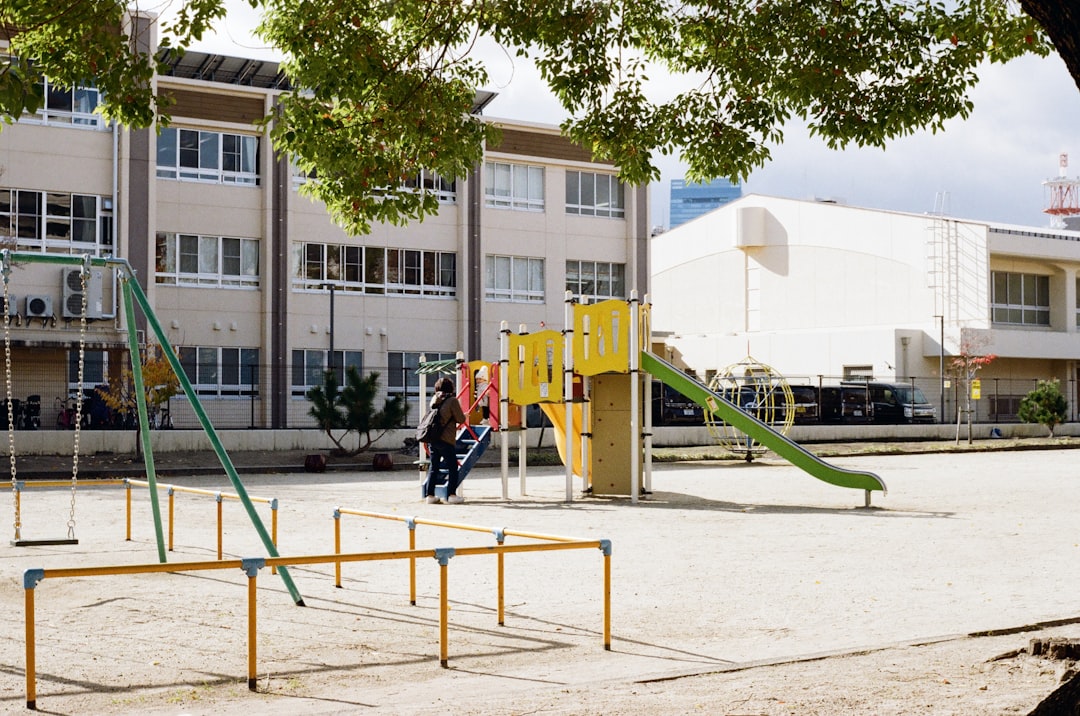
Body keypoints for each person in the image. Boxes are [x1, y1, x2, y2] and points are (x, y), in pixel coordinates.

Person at [424, 376, 467, 504]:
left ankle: (430, 495)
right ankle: (452, 495)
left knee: (434, 467)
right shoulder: (452, 400)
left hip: (433, 438)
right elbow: (461, 419)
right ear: (451, 388)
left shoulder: (434, 399)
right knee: (453, 467)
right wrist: (465, 416)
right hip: (446, 439)